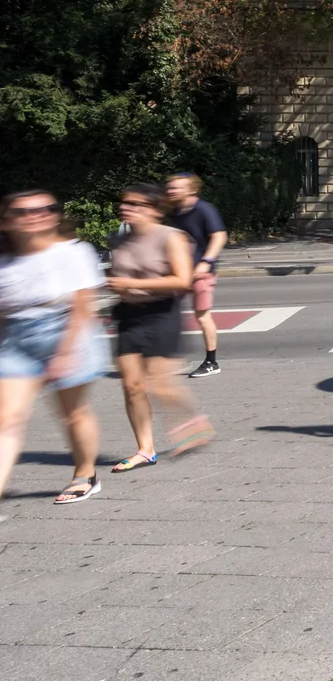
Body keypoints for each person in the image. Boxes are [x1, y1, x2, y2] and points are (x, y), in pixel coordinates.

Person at [0, 191, 108, 512]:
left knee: (72, 412)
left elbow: (82, 307)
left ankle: (85, 474)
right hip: (17, 339)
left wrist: (64, 354)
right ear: (6, 220)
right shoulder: (5, 259)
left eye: (47, 208)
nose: (37, 214)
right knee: (7, 418)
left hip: (66, 333)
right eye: (24, 211)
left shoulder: (73, 252)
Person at [108, 182, 209, 471]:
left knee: (161, 385)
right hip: (128, 314)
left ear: (154, 210)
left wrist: (132, 283)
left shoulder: (171, 237)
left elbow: (181, 280)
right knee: (132, 386)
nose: (125, 208)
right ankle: (145, 449)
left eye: (134, 204)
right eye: (124, 203)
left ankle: (193, 422)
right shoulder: (118, 238)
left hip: (162, 312)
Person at [165, 174, 227, 378]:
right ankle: (167, 357)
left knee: (202, 316)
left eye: (176, 188)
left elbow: (219, 236)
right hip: (178, 273)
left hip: (201, 274)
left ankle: (211, 362)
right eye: (170, 188)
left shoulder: (204, 210)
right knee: (165, 311)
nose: (171, 191)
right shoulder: (173, 212)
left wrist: (206, 262)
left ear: (191, 190)